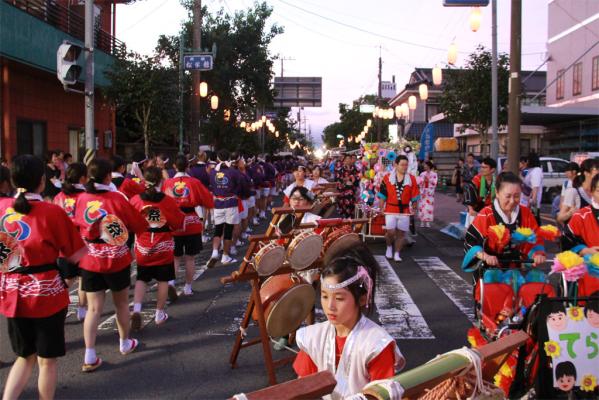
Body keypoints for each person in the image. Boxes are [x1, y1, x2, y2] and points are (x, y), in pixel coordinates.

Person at [1, 155, 87, 399]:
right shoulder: (51, 212)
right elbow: (76, 254)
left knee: (24, 356)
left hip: (12, 291)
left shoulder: (1, 209)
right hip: (45, 293)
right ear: (42, 181)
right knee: (46, 361)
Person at [293, 249, 405, 399]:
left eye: (339, 298)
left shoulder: (377, 344)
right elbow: (302, 387)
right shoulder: (314, 337)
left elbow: (382, 394)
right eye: (325, 296)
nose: (330, 306)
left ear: (362, 299)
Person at [74, 158, 148, 372]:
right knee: (122, 304)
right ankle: (124, 343)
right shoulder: (117, 198)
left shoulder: (82, 198)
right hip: (115, 256)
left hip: (90, 256)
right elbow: (137, 225)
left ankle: (89, 354)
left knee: (94, 309)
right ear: (108, 176)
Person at [130, 167, 185, 328]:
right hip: (163, 244)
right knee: (163, 280)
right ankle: (159, 314)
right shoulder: (167, 201)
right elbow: (177, 223)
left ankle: (138, 309)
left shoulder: (135, 200)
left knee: (142, 278)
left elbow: (130, 222)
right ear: (161, 181)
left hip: (143, 244)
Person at [463, 172, 546, 272]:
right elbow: (471, 240)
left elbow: (535, 239)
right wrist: (485, 256)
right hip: (489, 271)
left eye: (516, 196)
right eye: (508, 196)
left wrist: (537, 253)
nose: (512, 201)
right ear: (497, 193)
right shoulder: (486, 214)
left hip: (516, 271)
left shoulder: (526, 213)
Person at [163, 155, 213, 296]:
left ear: (174, 167)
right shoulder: (194, 182)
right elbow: (208, 201)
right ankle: (187, 287)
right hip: (191, 220)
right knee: (190, 257)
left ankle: (171, 283)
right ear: (188, 166)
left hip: (174, 222)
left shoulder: (167, 183)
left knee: (175, 257)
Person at [53, 162, 89, 322]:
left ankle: (58, 309)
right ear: (83, 178)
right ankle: (82, 309)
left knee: (65, 280)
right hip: (83, 244)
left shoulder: (59, 197)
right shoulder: (86, 196)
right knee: (82, 278)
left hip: (63, 245)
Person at [378, 155, 420, 262]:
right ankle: (389, 247)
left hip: (405, 210)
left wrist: (415, 206)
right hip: (390, 209)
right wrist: (381, 207)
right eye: (402, 165)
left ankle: (397, 253)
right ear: (395, 165)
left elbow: (414, 194)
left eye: (406, 165)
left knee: (401, 233)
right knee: (390, 232)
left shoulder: (412, 179)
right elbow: (382, 194)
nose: (404, 167)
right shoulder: (387, 178)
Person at [562, 174, 599, 295]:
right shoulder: (580, 217)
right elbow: (566, 244)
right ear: (591, 192)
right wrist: (584, 251)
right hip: (589, 279)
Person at [207, 149, 242, 268]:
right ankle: (225, 256)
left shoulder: (212, 172)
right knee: (228, 231)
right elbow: (239, 184)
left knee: (218, 229)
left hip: (218, 203)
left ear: (217, 158)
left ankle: (215, 252)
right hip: (231, 203)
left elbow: (211, 185)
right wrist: (235, 192)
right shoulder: (233, 171)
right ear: (228, 159)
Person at [557, 158, 598, 225]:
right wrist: (570, 212)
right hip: (578, 234)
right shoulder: (573, 191)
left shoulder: (596, 192)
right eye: (596, 169)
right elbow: (560, 218)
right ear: (586, 173)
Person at [520, 154, 543, 220]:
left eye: (527, 161)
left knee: (533, 221)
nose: (526, 162)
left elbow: (535, 187)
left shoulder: (536, 170)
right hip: (526, 201)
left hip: (531, 202)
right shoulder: (530, 170)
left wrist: (533, 201)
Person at [418, 161, 438, 228]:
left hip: (430, 192)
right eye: (424, 165)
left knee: (429, 207)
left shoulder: (434, 174)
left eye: (425, 165)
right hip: (423, 192)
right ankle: (422, 221)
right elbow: (419, 182)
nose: (424, 166)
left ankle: (428, 222)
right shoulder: (422, 174)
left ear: (429, 166)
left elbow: (435, 183)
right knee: (422, 207)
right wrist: (423, 180)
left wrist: (428, 180)